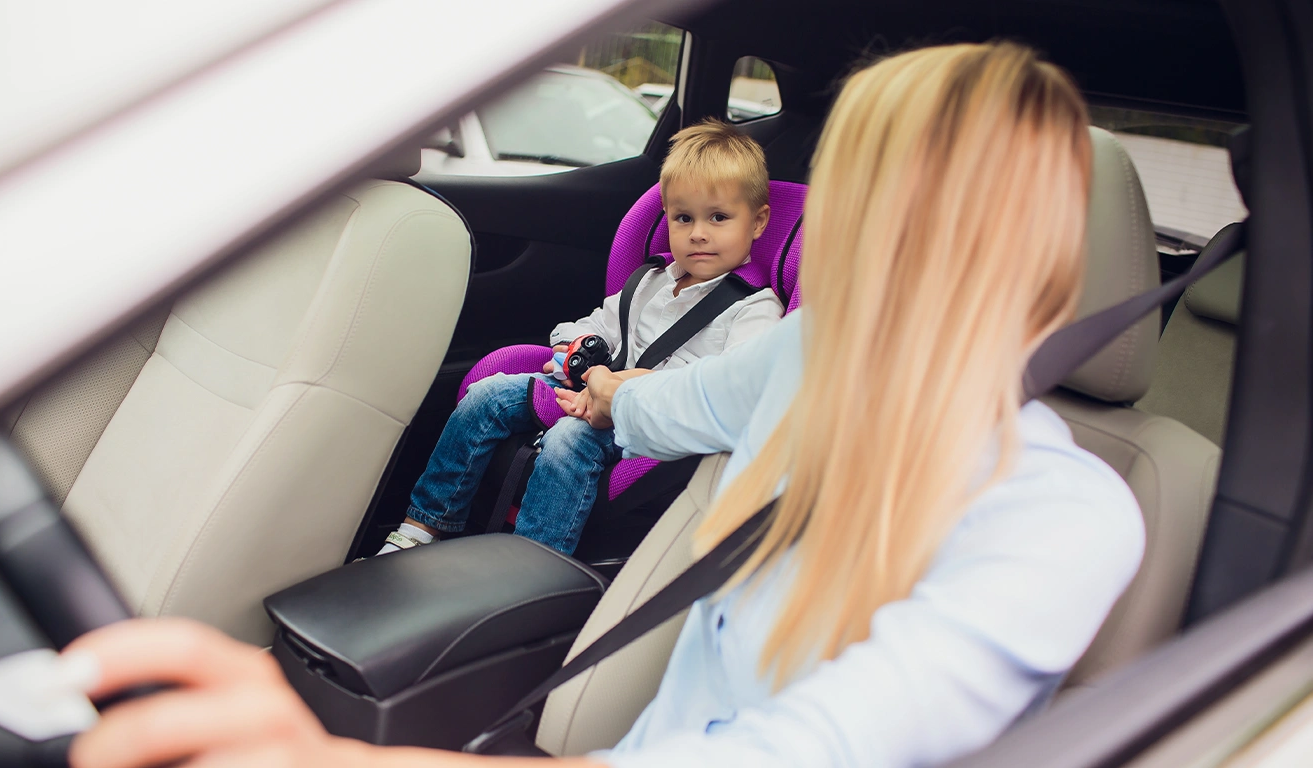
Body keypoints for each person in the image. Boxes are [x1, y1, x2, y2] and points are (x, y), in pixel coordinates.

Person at [63, 42, 1144, 768]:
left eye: (870, 192)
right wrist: (586, 380)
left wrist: (334, 758)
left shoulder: (1058, 521)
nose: (850, 227)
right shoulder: (814, 351)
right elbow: (660, 408)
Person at [376, 118, 783, 557]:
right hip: (584, 388)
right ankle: (423, 526)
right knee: (487, 395)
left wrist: (625, 391)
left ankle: (530, 566)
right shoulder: (650, 281)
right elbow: (595, 326)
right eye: (683, 218)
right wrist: (571, 351)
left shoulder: (755, 308)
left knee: (568, 439)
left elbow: (730, 390)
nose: (698, 233)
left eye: (718, 218)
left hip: (648, 425)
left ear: (758, 222)